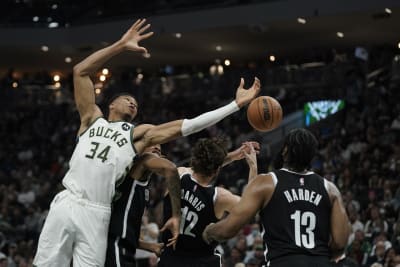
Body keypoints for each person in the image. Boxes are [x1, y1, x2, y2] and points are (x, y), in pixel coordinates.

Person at [33, 18, 261, 267]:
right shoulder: (91, 119)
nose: (133, 102)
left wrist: (235, 105)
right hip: (67, 200)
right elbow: (80, 71)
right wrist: (120, 45)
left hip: (97, 211)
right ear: (111, 104)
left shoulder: (137, 136)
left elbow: (189, 125)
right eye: (127, 99)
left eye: (136, 102)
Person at [203, 128, 350, 267]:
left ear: (285, 151)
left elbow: (230, 228)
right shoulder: (331, 189)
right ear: (312, 156)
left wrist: (210, 231)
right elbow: (340, 243)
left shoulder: (268, 182)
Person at [158, 138, 258, 267]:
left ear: (195, 158)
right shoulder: (220, 197)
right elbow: (251, 207)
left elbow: (203, 164)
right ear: (217, 170)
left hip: (171, 258)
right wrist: (253, 167)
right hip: (202, 261)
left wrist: (231, 156)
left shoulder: (178, 174)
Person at [105, 144, 179, 267]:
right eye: (152, 144)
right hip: (115, 245)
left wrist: (151, 246)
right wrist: (176, 216)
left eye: (159, 150)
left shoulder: (144, 188)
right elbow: (171, 168)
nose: (157, 147)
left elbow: (128, 231)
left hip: (123, 246)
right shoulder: (141, 162)